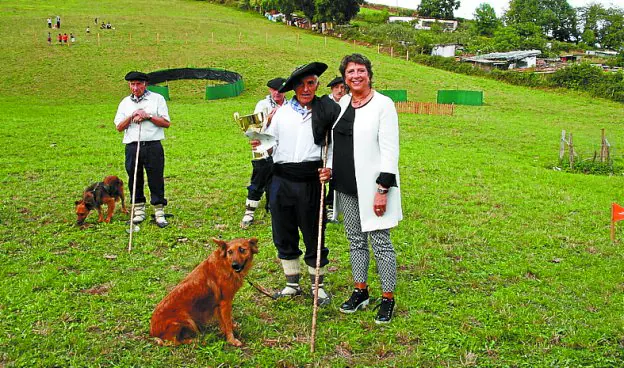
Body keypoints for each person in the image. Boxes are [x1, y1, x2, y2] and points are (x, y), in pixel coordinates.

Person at [320, 53, 402, 324]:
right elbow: (337, 142)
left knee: (380, 243)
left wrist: (383, 189)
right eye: (350, 71)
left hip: (372, 187)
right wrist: (330, 168)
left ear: (369, 74)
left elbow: (390, 151)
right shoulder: (344, 102)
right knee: (355, 241)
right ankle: (360, 291)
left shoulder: (383, 104)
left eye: (361, 70)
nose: (355, 75)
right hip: (345, 185)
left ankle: (388, 298)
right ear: (344, 77)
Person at [257, 62, 339, 305]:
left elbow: (332, 146)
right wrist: (259, 142)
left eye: (311, 83)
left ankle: (317, 286)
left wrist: (329, 168)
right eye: (301, 84)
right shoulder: (281, 113)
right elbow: (270, 143)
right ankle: (292, 283)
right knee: (283, 229)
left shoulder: (326, 111)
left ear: (317, 85)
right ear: (293, 87)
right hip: (281, 179)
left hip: (310, 180)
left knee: (314, 231)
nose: (306, 89)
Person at [114, 71, 171, 228]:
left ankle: (159, 210)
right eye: (132, 84)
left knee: (156, 178)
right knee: (134, 178)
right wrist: (132, 115)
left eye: (138, 84)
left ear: (145, 84)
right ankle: (138, 210)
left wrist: (148, 116)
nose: (135, 87)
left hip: (153, 145)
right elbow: (119, 126)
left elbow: (166, 123)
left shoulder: (157, 99)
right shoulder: (125, 103)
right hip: (133, 145)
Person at [240, 77, 286, 229]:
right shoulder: (263, 104)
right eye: (274, 90)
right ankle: (249, 211)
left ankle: (273, 206)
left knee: (277, 179)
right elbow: (253, 128)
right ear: (270, 90)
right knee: (258, 179)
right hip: (262, 147)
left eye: (280, 90)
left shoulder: (289, 105)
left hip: (281, 148)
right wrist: (269, 119)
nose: (277, 93)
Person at [324, 76, 345, 222]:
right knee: (325, 173)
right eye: (337, 87)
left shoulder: (349, 102)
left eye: (343, 87)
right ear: (332, 89)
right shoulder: (325, 102)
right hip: (326, 145)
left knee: (338, 175)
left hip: (343, 144)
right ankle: (322, 206)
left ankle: (332, 206)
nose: (340, 90)